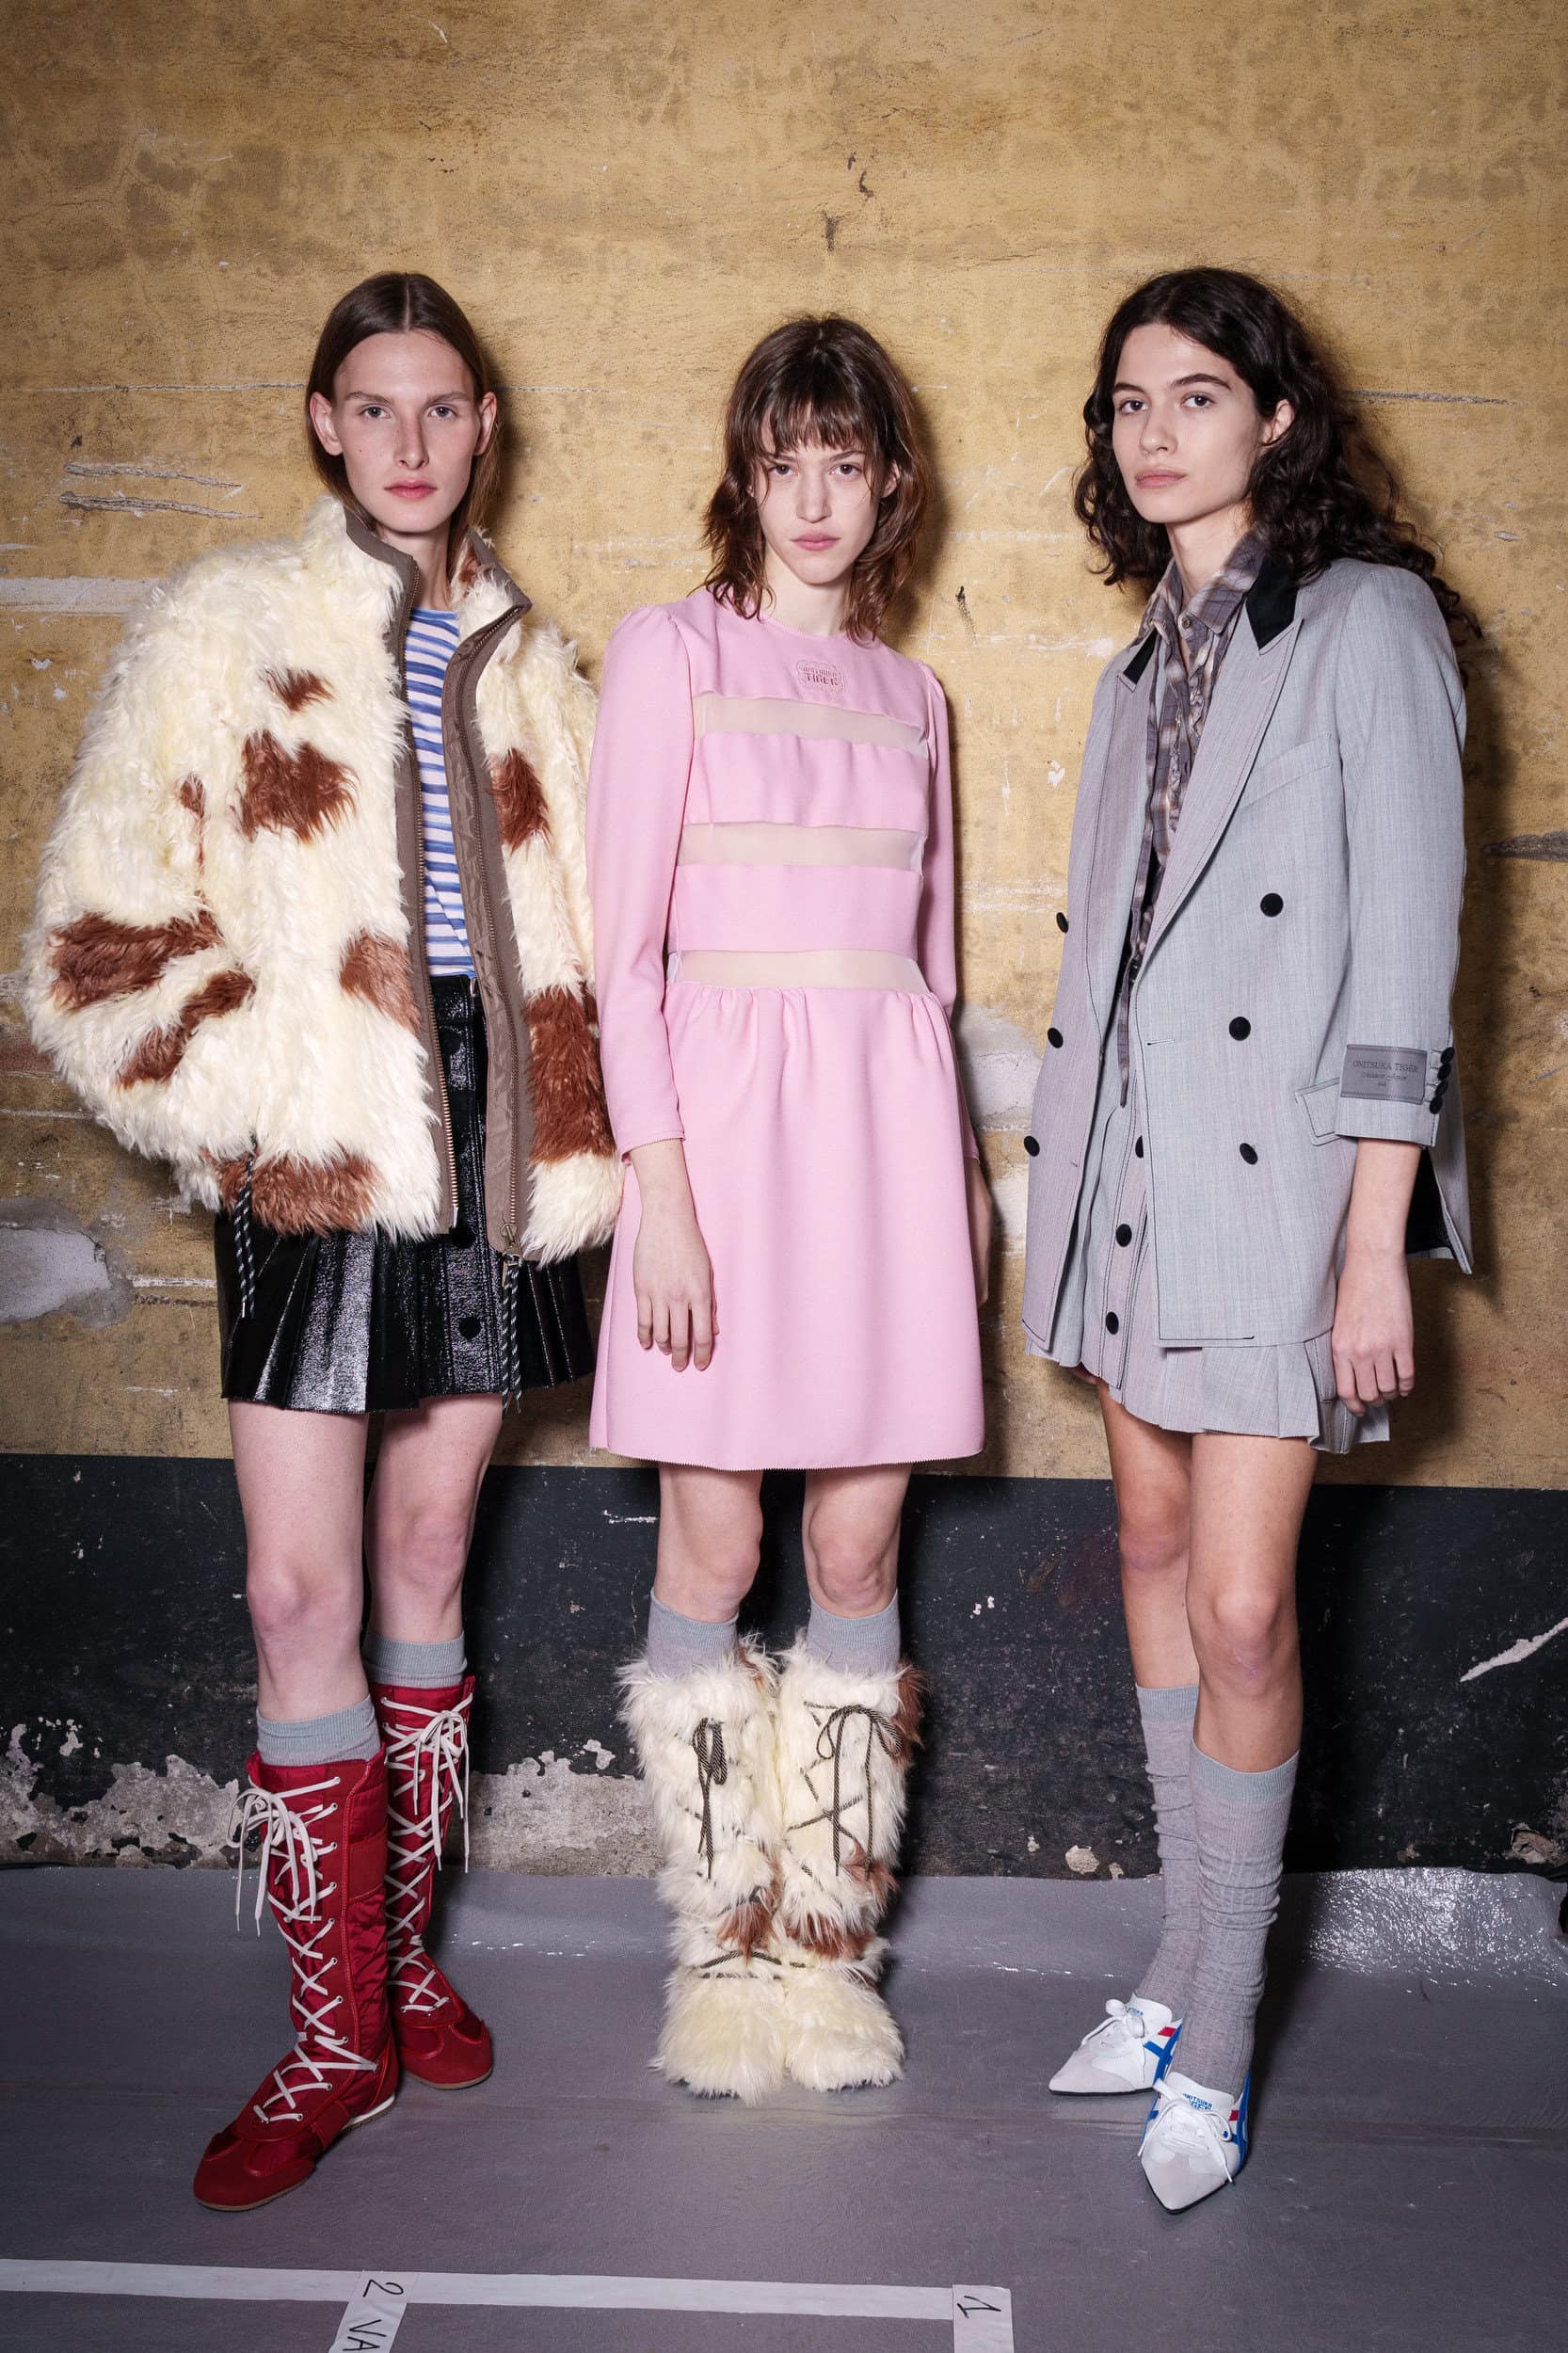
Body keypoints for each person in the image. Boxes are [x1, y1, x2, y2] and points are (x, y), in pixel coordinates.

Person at [25, 272, 620, 2208]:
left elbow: (615, 936)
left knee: (431, 1556)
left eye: (442, 408)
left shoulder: (540, 669)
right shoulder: (225, 623)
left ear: (485, 425)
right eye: (374, 408)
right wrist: (261, 1104)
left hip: (502, 1153)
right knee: (299, 1590)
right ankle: (329, 2038)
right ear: (322, 422)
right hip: (322, 1149)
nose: (410, 443)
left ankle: (398, 1965)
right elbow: (93, 938)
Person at [1022, 266, 1472, 2209]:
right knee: (1145, 1553)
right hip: (1131, 1175)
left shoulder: (1366, 623)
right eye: (1127, 402)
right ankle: (1169, 1963)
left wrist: (1373, 1243)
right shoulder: (1138, 667)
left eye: (1194, 395)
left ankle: (1218, 2026)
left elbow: (1406, 952)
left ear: (1273, 418)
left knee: (1238, 1610)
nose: (1153, 432)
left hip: (1281, 1193)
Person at [587, 314, 990, 2102]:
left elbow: (932, 975)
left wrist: (961, 1192)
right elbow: (623, 958)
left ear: (889, 479)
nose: (813, 498)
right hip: (721, 1161)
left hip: (885, 1159)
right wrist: (662, 1196)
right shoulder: (668, 652)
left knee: (854, 1558)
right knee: (711, 1551)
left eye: (844, 462)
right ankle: (718, 1952)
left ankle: (826, 1959)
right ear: (742, 476)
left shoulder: (914, 699)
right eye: (781, 463)